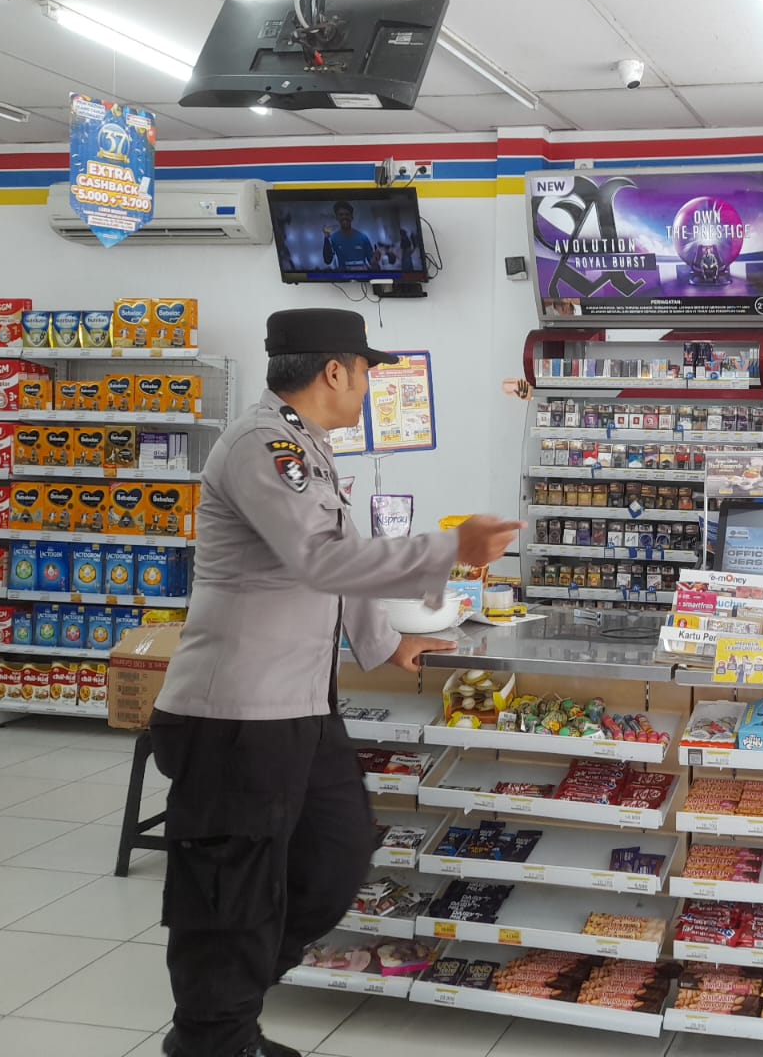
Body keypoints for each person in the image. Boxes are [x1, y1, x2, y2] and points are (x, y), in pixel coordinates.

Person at [150, 308, 523, 1057]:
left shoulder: (309, 448)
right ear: (334, 371)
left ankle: (229, 1009)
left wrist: (386, 644)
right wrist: (451, 546)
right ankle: (213, 1039)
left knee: (334, 858)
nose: (367, 385)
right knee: (233, 888)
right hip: (236, 716)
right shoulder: (263, 446)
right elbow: (321, 561)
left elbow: (337, 562)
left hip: (300, 709)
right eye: (365, 371)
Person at [321, 200, 375, 272]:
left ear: (352, 217)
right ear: (337, 217)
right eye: (341, 215)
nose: (344, 217)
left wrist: (376, 259)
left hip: (362, 277)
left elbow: (372, 261)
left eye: (347, 214)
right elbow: (327, 261)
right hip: (343, 277)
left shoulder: (363, 237)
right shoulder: (333, 238)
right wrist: (326, 238)